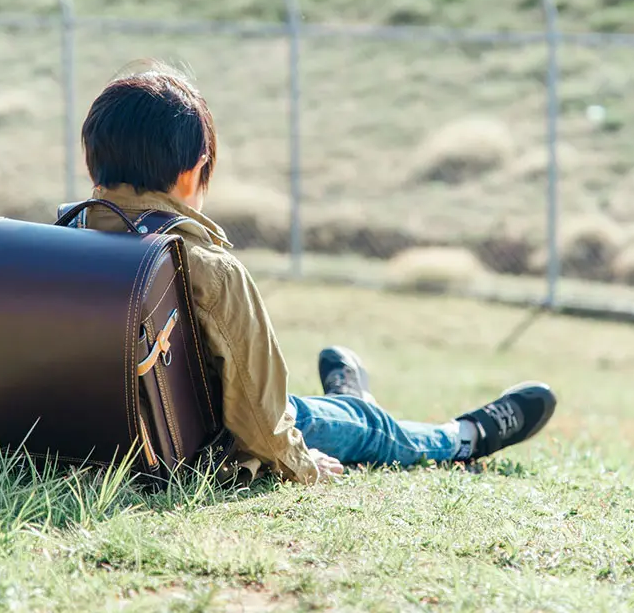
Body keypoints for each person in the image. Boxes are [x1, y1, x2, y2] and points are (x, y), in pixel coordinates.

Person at [78, 65, 557, 485]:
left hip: (84, 446)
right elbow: (262, 419)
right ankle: (464, 437)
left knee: (340, 416)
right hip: (202, 451)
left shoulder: (58, 246)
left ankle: (352, 400)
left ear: (92, 162)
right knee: (364, 428)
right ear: (193, 171)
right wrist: (301, 465)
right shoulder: (208, 269)